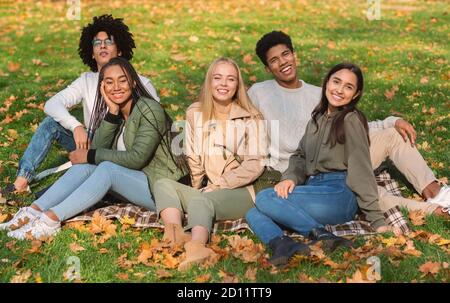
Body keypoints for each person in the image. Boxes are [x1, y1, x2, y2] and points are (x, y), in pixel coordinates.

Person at [247, 31, 449, 218]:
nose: (283, 62)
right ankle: (434, 211)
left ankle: (436, 193)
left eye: (285, 54)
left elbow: (355, 124)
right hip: (306, 171)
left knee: (393, 135)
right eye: (274, 60)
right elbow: (237, 123)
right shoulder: (259, 93)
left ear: (294, 54)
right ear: (267, 68)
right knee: (362, 188)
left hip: (341, 153)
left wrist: (392, 121)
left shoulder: (319, 93)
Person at [1, 57, 184, 239]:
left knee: (106, 168)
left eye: (123, 80)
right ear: (102, 87)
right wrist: (111, 113)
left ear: (134, 83)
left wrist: (91, 155)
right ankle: (33, 211)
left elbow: (137, 158)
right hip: (140, 182)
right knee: (89, 165)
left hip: (164, 189)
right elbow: (95, 152)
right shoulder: (118, 113)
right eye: (109, 82)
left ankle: (51, 220)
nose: (116, 87)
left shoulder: (150, 109)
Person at [247, 63, 391, 266]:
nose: (340, 90)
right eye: (336, 82)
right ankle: (284, 245)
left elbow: (361, 169)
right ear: (326, 83)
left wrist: (377, 220)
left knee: (264, 197)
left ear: (355, 94)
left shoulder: (351, 120)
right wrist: (290, 178)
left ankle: (322, 236)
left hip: (338, 195)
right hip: (313, 191)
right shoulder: (317, 118)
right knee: (253, 211)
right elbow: (300, 156)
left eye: (348, 87)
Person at [1, 14, 159, 194]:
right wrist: (76, 126)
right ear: (92, 53)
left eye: (109, 41)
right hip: (92, 140)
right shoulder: (86, 80)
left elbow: (152, 128)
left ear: (120, 50)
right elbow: (52, 104)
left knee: (47, 196)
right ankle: (21, 181)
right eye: (97, 43)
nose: (103, 46)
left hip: (122, 149)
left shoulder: (141, 83)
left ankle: (52, 194)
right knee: (51, 124)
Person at [153, 57, 266, 271]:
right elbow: (194, 159)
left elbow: (255, 164)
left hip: (244, 190)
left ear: (237, 85)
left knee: (201, 202)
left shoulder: (252, 117)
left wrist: (219, 184)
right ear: (209, 82)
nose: (223, 84)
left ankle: (198, 248)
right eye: (218, 78)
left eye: (230, 79)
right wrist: (194, 189)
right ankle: (175, 235)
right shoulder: (195, 112)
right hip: (212, 188)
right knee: (163, 184)